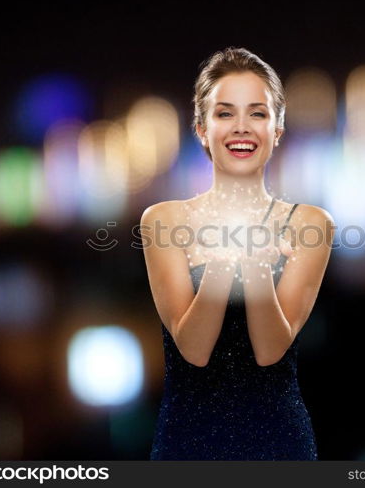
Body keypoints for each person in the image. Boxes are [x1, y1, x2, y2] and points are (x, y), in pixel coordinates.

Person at [141, 47, 334, 460]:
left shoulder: (310, 224)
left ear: (277, 130)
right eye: (225, 113)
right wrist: (232, 258)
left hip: (278, 441)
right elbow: (193, 348)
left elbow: (269, 350)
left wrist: (254, 264)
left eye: (258, 114)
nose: (241, 128)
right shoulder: (164, 220)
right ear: (201, 129)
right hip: (187, 441)